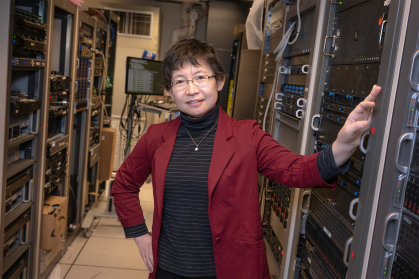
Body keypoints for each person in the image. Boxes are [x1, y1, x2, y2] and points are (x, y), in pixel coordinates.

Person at [111, 39, 381, 279]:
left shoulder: (246, 135)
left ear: (218, 81)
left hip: (231, 268)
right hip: (169, 268)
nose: (191, 89)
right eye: (179, 81)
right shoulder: (156, 137)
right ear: (169, 91)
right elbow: (123, 184)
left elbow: (296, 170)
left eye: (200, 77)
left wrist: (342, 145)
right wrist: (139, 234)